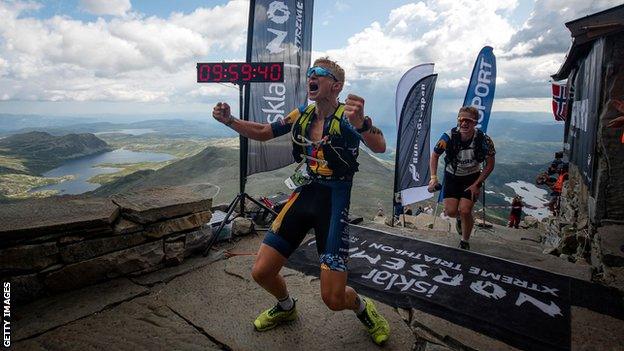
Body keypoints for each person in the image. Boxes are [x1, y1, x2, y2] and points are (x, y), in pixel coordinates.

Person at [212, 57, 390, 345]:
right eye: (310, 73)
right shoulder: (303, 114)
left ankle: (362, 308)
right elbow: (263, 132)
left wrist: (363, 125)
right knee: (261, 271)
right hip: (305, 193)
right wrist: (229, 120)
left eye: (319, 73)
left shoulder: (348, 118)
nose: (311, 76)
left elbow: (380, 146)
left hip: (334, 201)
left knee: (333, 298)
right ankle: (286, 307)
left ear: (336, 86)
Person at [428, 106, 496, 250]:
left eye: (468, 121)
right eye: (461, 120)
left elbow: (490, 164)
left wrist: (477, 184)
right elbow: (434, 156)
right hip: (452, 176)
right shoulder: (448, 136)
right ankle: (459, 219)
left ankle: (465, 241)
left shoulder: (484, 140)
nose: (464, 123)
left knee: (465, 210)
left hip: (472, 178)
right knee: (451, 212)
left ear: (475, 122)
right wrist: (433, 178)